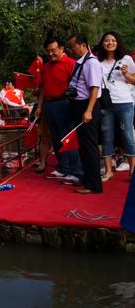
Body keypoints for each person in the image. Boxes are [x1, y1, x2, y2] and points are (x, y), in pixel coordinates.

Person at [34, 37, 83, 178]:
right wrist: (39, 106)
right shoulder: (47, 66)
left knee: (67, 137)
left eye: (53, 50)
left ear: (61, 49)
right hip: (49, 104)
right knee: (55, 137)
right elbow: (44, 88)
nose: (50, 53)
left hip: (65, 103)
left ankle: (76, 170)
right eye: (48, 51)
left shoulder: (71, 64)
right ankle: (63, 167)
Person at [66, 33, 103, 193]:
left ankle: (94, 185)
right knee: (83, 146)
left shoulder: (91, 63)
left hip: (87, 106)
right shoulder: (80, 63)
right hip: (78, 105)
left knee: (89, 146)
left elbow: (94, 87)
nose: (71, 50)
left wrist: (88, 110)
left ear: (82, 45)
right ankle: (87, 178)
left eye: (72, 46)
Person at [96, 31, 135, 180]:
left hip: (124, 103)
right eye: (106, 40)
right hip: (106, 104)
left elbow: (134, 81)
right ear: (102, 43)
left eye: (113, 40)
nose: (110, 43)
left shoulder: (126, 59)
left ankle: (132, 171)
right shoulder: (97, 61)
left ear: (117, 43)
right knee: (106, 137)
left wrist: (126, 74)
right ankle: (108, 171)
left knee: (128, 137)